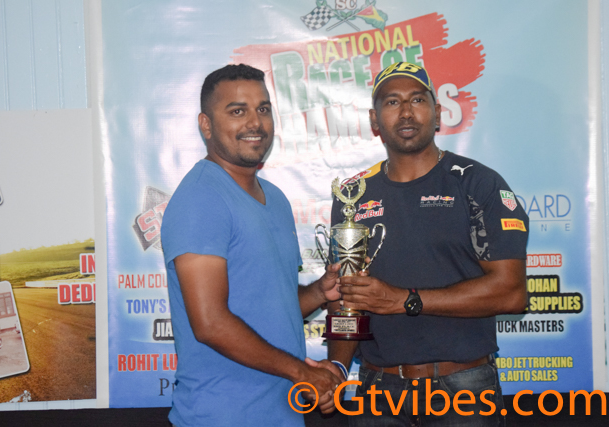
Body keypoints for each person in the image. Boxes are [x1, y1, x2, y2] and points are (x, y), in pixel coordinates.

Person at [327, 62, 529, 426]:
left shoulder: (477, 184)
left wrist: (405, 300)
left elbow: (512, 294)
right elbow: (348, 299)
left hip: (463, 389)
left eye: (417, 100)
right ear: (375, 120)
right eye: (392, 102)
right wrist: (338, 368)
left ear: (437, 113)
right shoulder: (353, 197)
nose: (406, 111)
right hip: (377, 391)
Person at [160, 64, 345, 427]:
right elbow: (210, 323)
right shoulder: (201, 197)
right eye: (237, 111)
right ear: (206, 125)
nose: (255, 123)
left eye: (263, 109)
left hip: (281, 412)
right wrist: (302, 372)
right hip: (220, 416)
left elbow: (268, 307)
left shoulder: (275, 198)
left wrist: (318, 293)